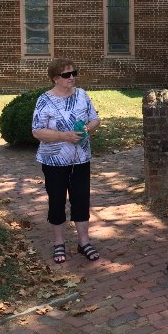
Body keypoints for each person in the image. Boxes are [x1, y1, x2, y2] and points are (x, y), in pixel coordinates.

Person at [32, 58, 101, 264]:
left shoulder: (82, 95)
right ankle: (59, 243)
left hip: (80, 158)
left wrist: (87, 129)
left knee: (81, 200)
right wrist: (64, 136)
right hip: (54, 161)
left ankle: (84, 242)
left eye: (74, 73)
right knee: (57, 201)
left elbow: (95, 119)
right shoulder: (44, 100)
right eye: (66, 75)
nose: (72, 77)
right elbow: (37, 131)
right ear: (55, 79)